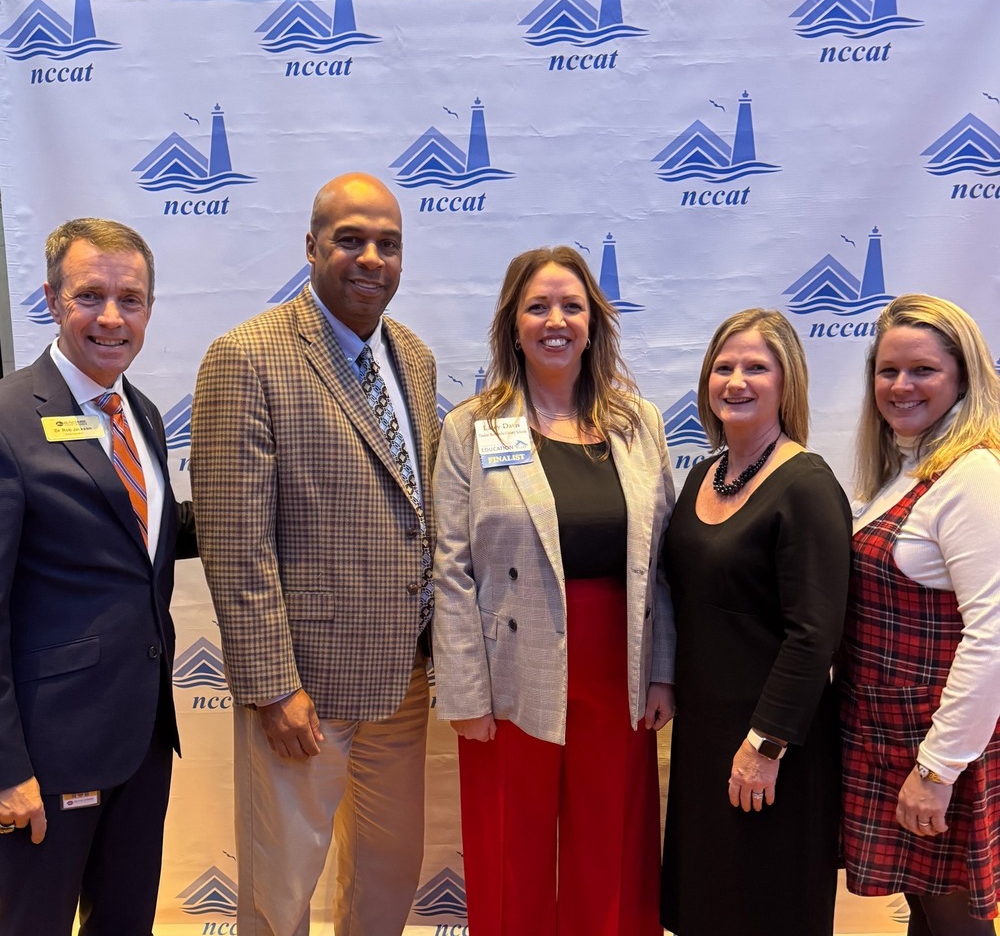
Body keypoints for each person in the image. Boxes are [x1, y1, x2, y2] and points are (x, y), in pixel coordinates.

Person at [190, 172, 438, 936]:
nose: (371, 258)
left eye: (388, 243)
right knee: (281, 886)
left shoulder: (416, 359)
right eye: (351, 239)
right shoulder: (246, 357)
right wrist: (272, 687)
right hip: (304, 691)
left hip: (406, 678)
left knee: (387, 878)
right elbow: (235, 542)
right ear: (310, 246)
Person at [432, 245, 675, 936]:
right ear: (512, 324)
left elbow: (660, 564)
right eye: (537, 306)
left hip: (618, 661)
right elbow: (451, 567)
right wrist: (464, 692)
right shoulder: (471, 427)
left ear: (594, 321)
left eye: (571, 305)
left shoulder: (638, 424)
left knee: (613, 844)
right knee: (512, 846)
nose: (555, 320)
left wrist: (662, 670)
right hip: (509, 668)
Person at [0, 218, 198, 934]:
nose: (112, 317)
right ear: (52, 298)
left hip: (142, 740)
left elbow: (137, 544)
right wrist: (6, 766)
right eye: (91, 294)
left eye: (131, 298)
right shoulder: (8, 418)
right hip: (47, 758)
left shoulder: (139, 411)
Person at [659, 308, 850, 936]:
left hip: (772, 745)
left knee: (766, 905)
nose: (736, 381)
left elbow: (813, 634)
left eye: (756, 367)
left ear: (786, 382)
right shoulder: (700, 475)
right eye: (724, 366)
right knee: (711, 902)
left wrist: (765, 744)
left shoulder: (807, 483)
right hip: (705, 734)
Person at [841, 293, 1000, 934]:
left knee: (952, 917)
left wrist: (938, 770)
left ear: (963, 375)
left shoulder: (973, 475)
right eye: (888, 371)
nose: (901, 386)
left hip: (935, 746)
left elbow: (993, 636)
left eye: (923, 370)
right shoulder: (905, 470)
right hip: (890, 736)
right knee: (927, 912)